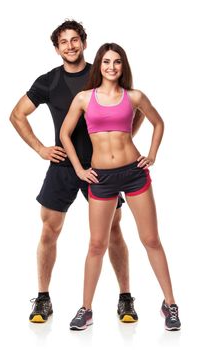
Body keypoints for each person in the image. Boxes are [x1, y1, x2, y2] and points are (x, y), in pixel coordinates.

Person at [9, 20, 144, 324]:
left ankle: (125, 298)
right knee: (49, 230)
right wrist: (40, 148)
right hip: (64, 167)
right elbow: (17, 115)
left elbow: (134, 106)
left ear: (84, 42)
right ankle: (43, 298)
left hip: (101, 170)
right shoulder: (49, 81)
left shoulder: (102, 73)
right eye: (63, 42)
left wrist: (126, 139)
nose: (70, 46)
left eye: (74, 40)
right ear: (56, 48)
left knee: (113, 230)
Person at [60, 43, 181, 331]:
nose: (111, 67)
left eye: (117, 62)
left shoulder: (134, 96)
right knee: (97, 244)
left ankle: (171, 305)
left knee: (151, 239)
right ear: (99, 65)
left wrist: (151, 154)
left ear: (123, 66)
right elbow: (65, 134)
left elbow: (158, 123)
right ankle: (86, 309)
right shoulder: (84, 98)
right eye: (106, 62)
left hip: (134, 173)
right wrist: (79, 168)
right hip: (100, 177)